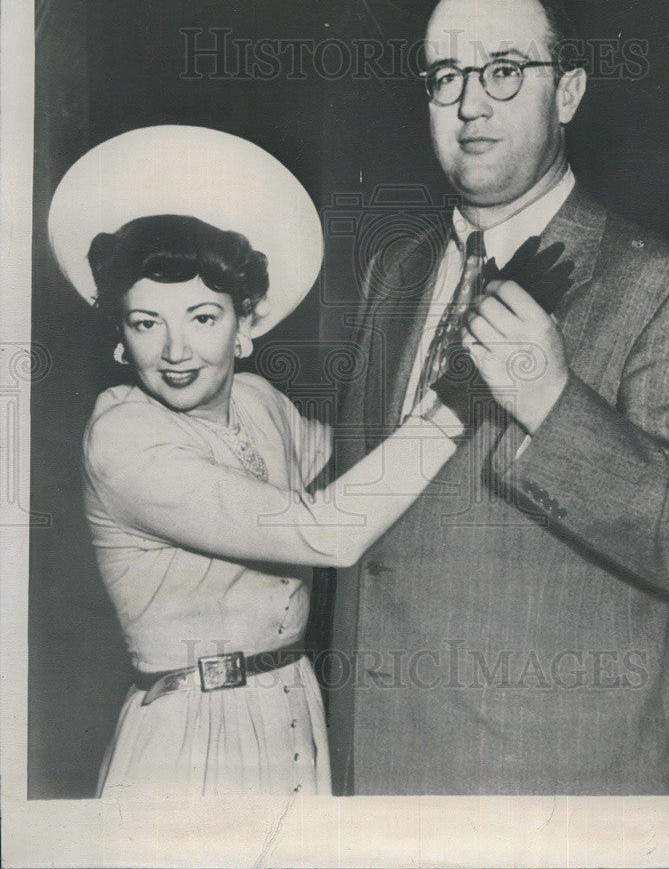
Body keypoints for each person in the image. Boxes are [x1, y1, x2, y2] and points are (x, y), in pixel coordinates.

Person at [326, 0, 669, 795]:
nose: (469, 104)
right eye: (444, 76)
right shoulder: (394, 273)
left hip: (548, 785)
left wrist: (556, 410)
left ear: (566, 93)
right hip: (373, 774)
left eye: (503, 72)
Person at [47, 124, 464, 797]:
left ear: (246, 327)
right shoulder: (122, 438)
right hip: (189, 738)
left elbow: (362, 468)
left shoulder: (260, 401)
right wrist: (461, 399)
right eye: (145, 322)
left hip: (294, 709)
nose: (175, 350)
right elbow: (329, 529)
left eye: (202, 318)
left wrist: (444, 342)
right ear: (120, 341)